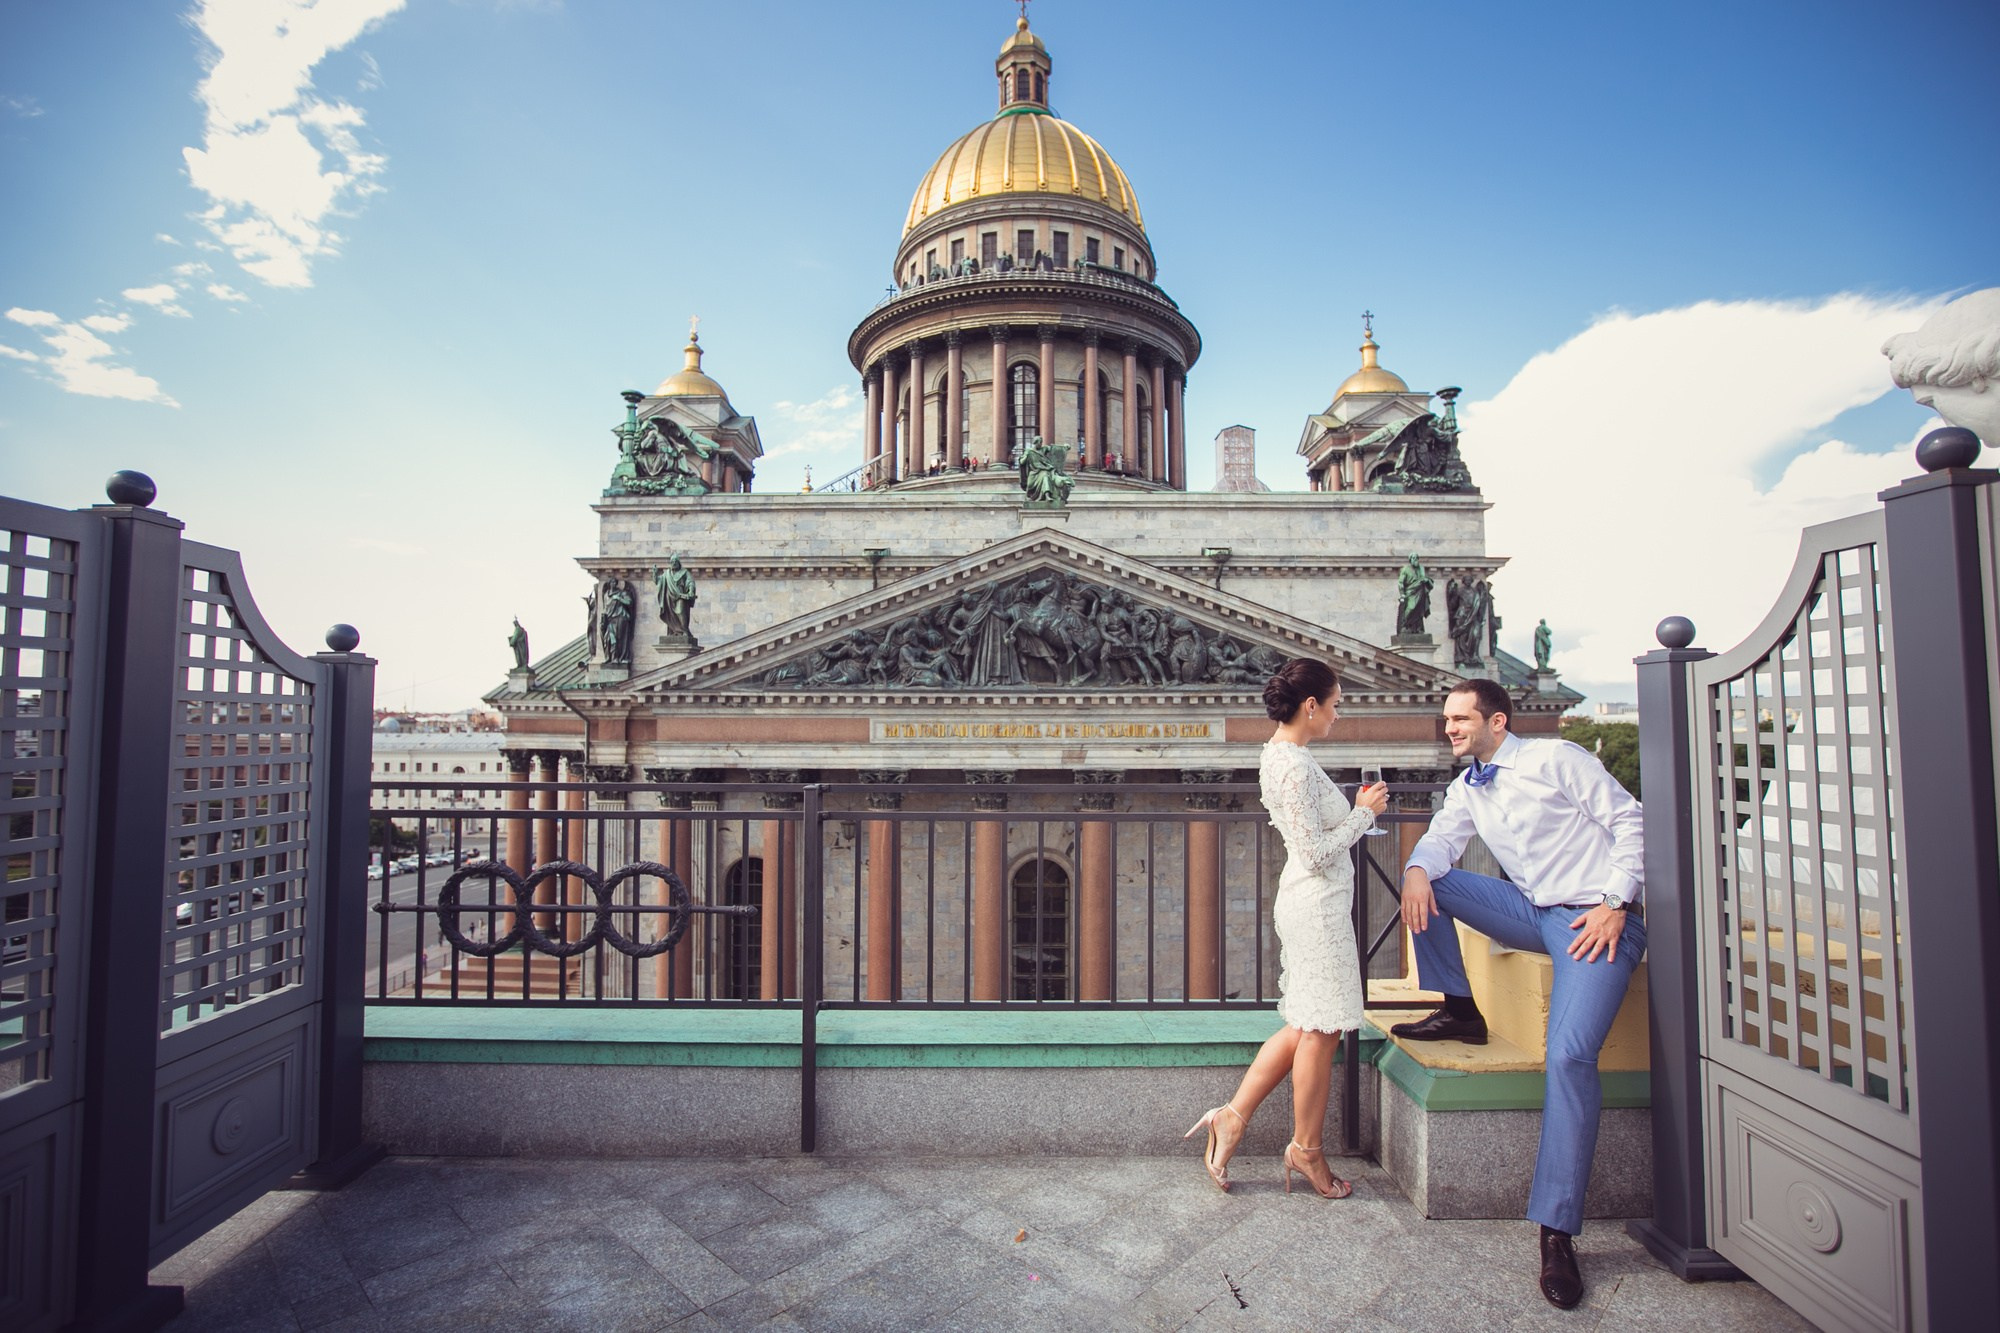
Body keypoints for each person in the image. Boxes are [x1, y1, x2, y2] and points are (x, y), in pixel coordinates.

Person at [1392, 677, 1645, 1310]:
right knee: (1428, 881)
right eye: (1446, 718)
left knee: (1569, 1059)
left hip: (1593, 918)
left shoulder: (1556, 759)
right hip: (1532, 911)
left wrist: (1617, 903)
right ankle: (1459, 1007)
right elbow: (1437, 842)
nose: (1449, 727)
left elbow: (1631, 821)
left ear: (1497, 721)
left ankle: (1556, 1231)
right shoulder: (1468, 782)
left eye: (1460, 718)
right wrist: (1418, 869)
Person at [1184, 658, 1389, 1198]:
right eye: (1338, 704)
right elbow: (1314, 852)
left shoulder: (1282, 755)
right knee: (1321, 1032)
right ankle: (1306, 1149)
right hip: (1317, 907)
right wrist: (1363, 814)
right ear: (1311, 705)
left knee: (1305, 1023)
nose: (1340, 716)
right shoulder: (1294, 766)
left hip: (1312, 903)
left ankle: (1232, 1117)